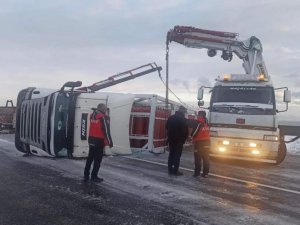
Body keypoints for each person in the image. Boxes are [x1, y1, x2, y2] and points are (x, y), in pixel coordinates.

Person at [84, 103, 113, 182]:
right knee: (97, 159)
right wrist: (110, 142)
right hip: (98, 140)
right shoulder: (103, 117)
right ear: (102, 109)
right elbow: (106, 130)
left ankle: (86, 174)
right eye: (105, 108)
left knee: (90, 157)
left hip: (91, 139)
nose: (106, 109)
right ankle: (94, 176)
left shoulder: (92, 115)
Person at [166, 105, 189, 176]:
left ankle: (170, 170)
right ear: (183, 112)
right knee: (177, 155)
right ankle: (175, 171)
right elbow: (186, 131)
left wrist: (170, 136)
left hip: (171, 139)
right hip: (179, 141)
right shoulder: (183, 120)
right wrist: (184, 139)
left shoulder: (171, 118)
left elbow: (166, 127)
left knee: (171, 154)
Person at [191, 111, 210, 178]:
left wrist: (191, 137)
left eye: (198, 115)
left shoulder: (198, 122)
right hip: (207, 142)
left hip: (199, 143)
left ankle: (197, 173)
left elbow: (194, 133)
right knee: (206, 158)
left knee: (198, 158)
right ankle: (205, 173)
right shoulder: (206, 122)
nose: (197, 116)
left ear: (200, 115)